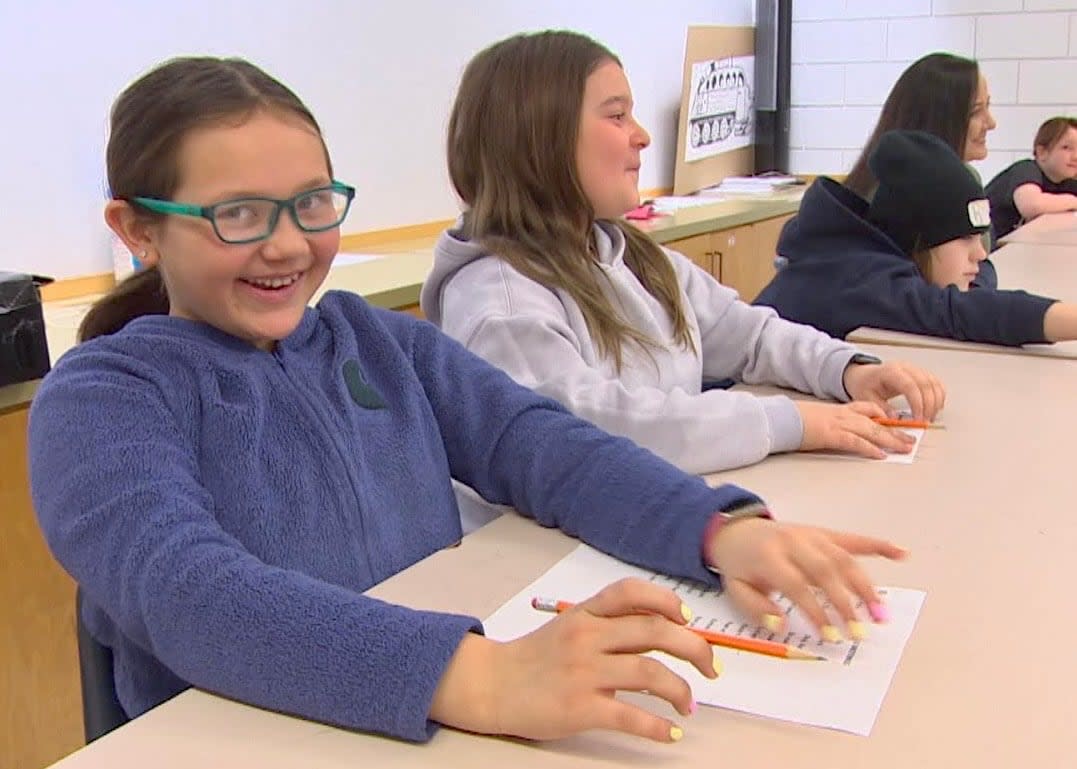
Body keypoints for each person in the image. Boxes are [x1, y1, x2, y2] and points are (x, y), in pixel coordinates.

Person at [27, 56, 908, 747]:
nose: (288, 243)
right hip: (252, 735)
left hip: (412, 717)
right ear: (137, 229)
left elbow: (541, 445)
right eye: (238, 216)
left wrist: (717, 529)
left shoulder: (377, 341)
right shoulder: (101, 400)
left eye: (310, 204)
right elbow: (193, 594)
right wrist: (480, 678)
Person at [420, 30, 944, 486]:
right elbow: (593, 427)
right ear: (540, 141)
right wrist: (790, 423)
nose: (642, 135)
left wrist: (847, 370)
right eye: (617, 115)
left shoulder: (635, 257)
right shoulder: (500, 298)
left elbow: (751, 336)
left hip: (660, 501)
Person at [754, 130, 1077, 345]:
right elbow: (964, 313)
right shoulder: (862, 283)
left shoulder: (871, 259)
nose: (979, 254)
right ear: (919, 241)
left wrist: (969, 288)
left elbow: (979, 281)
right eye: (965, 240)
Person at [843, 52, 999, 286]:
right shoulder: (893, 195)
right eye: (976, 111)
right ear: (939, 117)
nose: (992, 123)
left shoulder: (966, 180)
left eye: (988, 107)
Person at [986, 116, 1077, 241]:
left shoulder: (1066, 181)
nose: (1075, 156)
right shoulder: (1026, 169)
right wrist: (1073, 201)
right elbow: (1031, 205)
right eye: (1066, 148)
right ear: (1042, 152)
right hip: (985, 250)